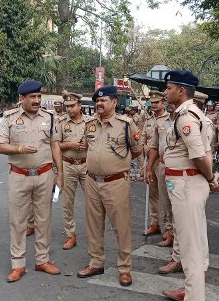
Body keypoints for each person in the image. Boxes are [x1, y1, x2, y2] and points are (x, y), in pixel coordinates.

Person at [152, 70, 217, 301]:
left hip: (186, 184)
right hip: (187, 182)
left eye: (169, 88)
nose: (165, 91)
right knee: (195, 243)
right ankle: (191, 292)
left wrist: (210, 178)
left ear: (181, 90)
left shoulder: (186, 117)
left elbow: (199, 156)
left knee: (190, 250)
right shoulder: (191, 114)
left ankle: (194, 297)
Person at [0, 79, 64, 283]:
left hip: (44, 175)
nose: (37, 100)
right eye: (32, 97)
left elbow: (55, 146)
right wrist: (20, 149)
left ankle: (42, 260)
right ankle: (18, 265)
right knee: (18, 222)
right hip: (19, 175)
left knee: (44, 220)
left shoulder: (50, 118)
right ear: (22, 98)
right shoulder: (9, 118)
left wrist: (59, 173)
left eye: (39, 96)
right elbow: (0, 146)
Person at [76, 85, 142, 287]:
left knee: (121, 226)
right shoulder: (90, 125)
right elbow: (86, 147)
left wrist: (115, 166)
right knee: (93, 225)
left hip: (116, 182)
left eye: (104, 100)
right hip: (92, 181)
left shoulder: (126, 125)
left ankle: (125, 269)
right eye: (97, 101)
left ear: (114, 102)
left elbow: (138, 150)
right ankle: (96, 262)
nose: (99, 103)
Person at [58, 91, 91, 250]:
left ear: (80, 106)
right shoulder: (61, 122)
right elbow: (55, 145)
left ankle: (93, 234)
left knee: (92, 201)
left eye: (72, 106)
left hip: (86, 165)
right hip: (68, 165)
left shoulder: (91, 122)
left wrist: (88, 145)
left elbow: (98, 143)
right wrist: (69, 145)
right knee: (67, 202)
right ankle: (71, 235)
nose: (69, 109)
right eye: (67, 107)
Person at [143, 91, 174, 247]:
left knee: (166, 198)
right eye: (152, 102)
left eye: (157, 102)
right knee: (152, 194)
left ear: (163, 103)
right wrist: (144, 146)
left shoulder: (169, 120)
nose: (154, 105)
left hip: (164, 163)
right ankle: (154, 223)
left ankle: (169, 229)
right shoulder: (148, 120)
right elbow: (144, 138)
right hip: (150, 161)